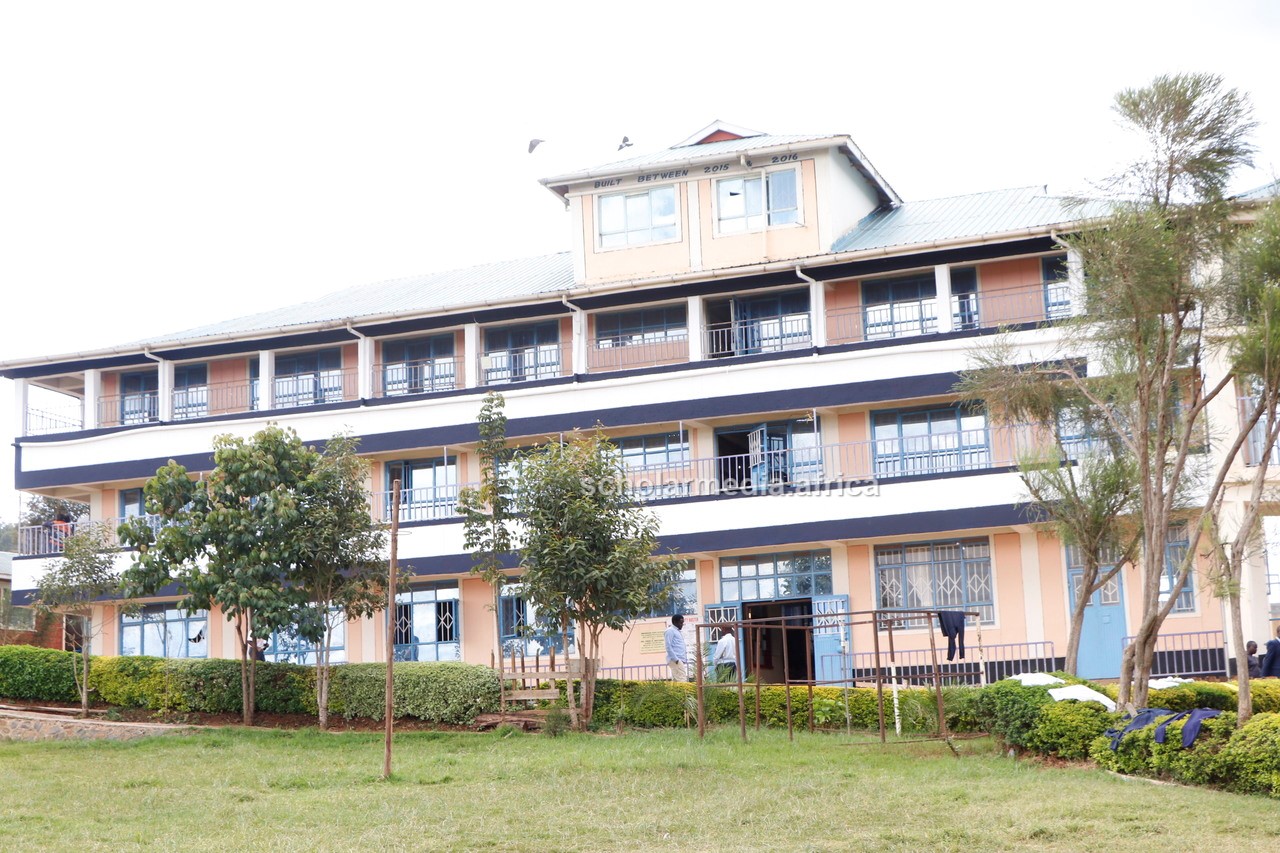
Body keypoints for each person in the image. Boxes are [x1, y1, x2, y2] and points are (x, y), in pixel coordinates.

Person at [664, 614, 688, 681]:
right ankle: (683, 691)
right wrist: (676, 659)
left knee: (676, 681)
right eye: (680, 622)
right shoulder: (670, 631)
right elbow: (668, 646)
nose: (682, 624)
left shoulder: (677, 631)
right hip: (676, 659)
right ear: (674, 622)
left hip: (679, 659)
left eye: (682, 623)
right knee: (682, 679)